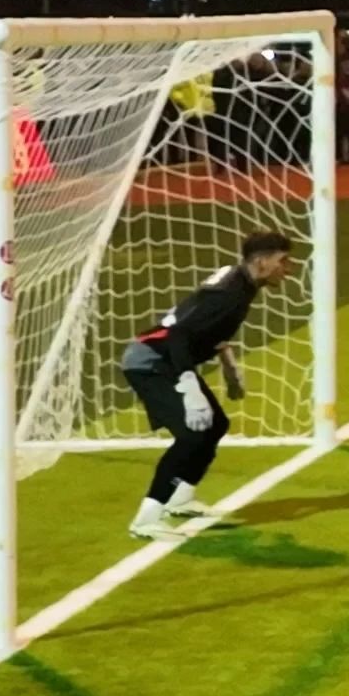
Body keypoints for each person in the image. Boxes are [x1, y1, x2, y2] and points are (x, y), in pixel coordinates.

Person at [121, 229, 296, 541]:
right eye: (283, 261)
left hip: (168, 359)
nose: (288, 268)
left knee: (215, 425)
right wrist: (190, 388)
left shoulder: (240, 282)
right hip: (151, 362)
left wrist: (229, 366)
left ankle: (180, 499)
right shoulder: (231, 292)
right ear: (261, 261)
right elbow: (178, 334)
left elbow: (208, 328)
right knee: (192, 436)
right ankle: (146, 519)